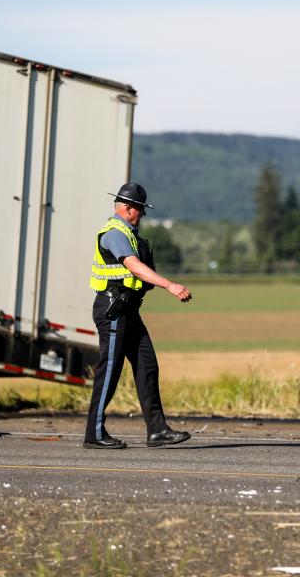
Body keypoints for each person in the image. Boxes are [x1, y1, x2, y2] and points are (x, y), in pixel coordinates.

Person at [83, 182, 193, 449]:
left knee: (147, 366)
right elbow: (134, 267)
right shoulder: (115, 233)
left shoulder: (127, 232)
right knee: (109, 372)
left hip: (128, 310)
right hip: (114, 310)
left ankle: (157, 431)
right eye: (140, 210)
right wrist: (169, 285)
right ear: (128, 208)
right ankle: (94, 434)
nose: (142, 215)